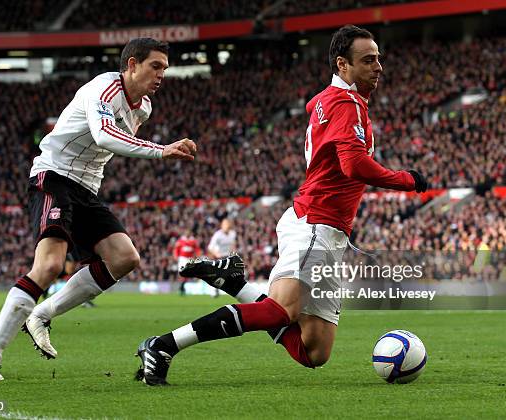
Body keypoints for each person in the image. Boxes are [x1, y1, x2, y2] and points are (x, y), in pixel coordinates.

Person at [134, 25, 428, 386]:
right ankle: (163, 346)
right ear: (343, 65)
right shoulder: (346, 104)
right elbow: (353, 164)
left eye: (379, 58)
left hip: (325, 228)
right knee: (280, 311)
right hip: (316, 223)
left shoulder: (329, 101)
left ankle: (234, 282)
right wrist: (407, 180)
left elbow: (326, 130)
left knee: (314, 351)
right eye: (368, 60)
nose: (378, 66)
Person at [0, 38, 197, 381]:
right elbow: (105, 137)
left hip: (87, 189)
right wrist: (160, 150)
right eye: (156, 66)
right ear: (132, 64)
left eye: (165, 67)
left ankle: (42, 314)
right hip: (54, 177)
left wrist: (154, 150)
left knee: (124, 258)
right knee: (48, 266)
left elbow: (113, 147)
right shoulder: (103, 88)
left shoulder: (144, 107)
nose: (162, 73)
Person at [206, 218, 237, 297]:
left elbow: (233, 244)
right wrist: (216, 254)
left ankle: (230, 290)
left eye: (228, 224)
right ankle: (214, 290)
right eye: (225, 224)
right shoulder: (217, 235)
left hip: (227, 257)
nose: (227, 226)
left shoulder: (233, 233)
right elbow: (210, 247)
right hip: (218, 257)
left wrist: (234, 253)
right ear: (222, 225)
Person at [172, 229, 201, 295]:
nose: (187, 233)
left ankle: (182, 286)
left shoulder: (193, 241)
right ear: (185, 233)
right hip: (182, 258)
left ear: (190, 233)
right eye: (186, 232)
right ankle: (182, 287)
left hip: (190, 259)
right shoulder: (180, 240)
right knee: (181, 273)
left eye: (188, 232)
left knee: (187, 273)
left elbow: (197, 249)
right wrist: (175, 256)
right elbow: (176, 249)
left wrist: (197, 256)